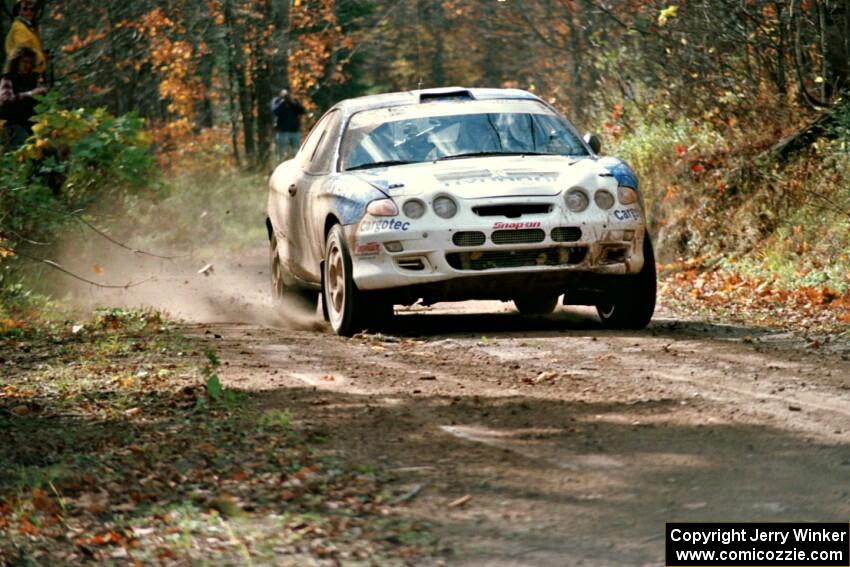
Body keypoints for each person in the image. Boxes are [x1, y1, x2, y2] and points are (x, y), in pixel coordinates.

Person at [1, 46, 46, 150]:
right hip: (13, 125)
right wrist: (30, 94)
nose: (28, 65)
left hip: (31, 125)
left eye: (30, 63)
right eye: (24, 62)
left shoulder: (32, 80)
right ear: (16, 62)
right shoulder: (8, 79)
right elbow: (5, 99)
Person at [5, 0, 46, 76]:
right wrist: (40, 59)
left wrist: (43, 55)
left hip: (30, 72)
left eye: (32, 9)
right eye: (25, 9)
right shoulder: (19, 28)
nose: (29, 12)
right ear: (18, 10)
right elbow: (24, 51)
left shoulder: (27, 27)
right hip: (23, 74)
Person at [271, 89, 305, 161]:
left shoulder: (294, 103)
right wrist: (283, 103)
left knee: (296, 152)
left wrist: (292, 102)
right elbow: (275, 112)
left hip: (294, 131)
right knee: (281, 152)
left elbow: (302, 111)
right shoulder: (278, 102)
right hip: (282, 131)